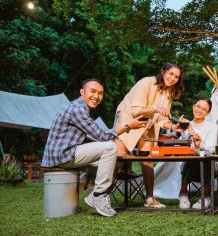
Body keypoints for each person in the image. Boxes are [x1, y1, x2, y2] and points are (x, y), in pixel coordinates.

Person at [41, 78, 147, 217]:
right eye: (93, 91)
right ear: (82, 92)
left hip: (64, 154)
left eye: (100, 93)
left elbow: (93, 137)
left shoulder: (78, 107)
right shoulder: (78, 110)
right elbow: (102, 136)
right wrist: (128, 126)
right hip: (63, 155)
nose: (96, 96)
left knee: (109, 161)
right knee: (110, 147)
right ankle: (98, 195)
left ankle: (92, 195)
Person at [113, 62, 185, 208]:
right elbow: (135, 110)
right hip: (128, 120)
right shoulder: (146, 83)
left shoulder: (169, 93)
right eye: (171, 74)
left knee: (148, 160)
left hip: (147, 125)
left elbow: (162, 119)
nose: (173, 79)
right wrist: (156, 109)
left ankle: (149, 199)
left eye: (176, 77)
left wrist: (173, 126)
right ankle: (100, 195)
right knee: (117, 159)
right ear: (163, 71)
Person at [177, 97, 218, 209]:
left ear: (208, 113)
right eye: (198, 106)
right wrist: (184, 129)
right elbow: (182, 147)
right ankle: (183, 194)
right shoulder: (185, 124)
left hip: (209, 166)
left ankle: (206, 196)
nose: (200, 110)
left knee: (203, 157)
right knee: (193, 156)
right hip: (189, 165)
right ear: (193, 106)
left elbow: (211, 150)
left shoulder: (213, 126)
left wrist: (199, 145)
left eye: (204, 109)